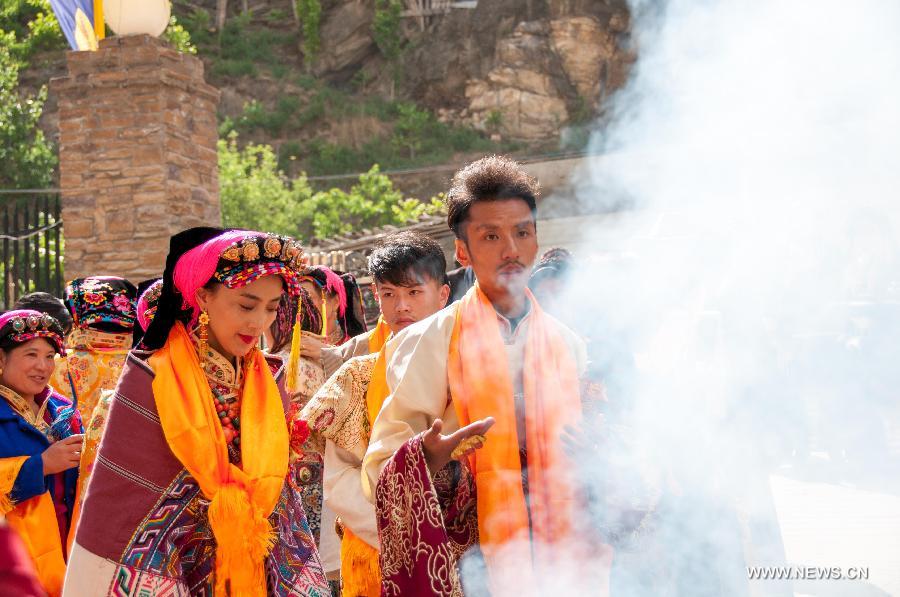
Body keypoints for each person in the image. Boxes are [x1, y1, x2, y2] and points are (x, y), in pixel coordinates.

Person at [362, 156, 610, 595]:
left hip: (558, 560)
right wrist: (430, 460)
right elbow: (381, 467)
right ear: (462, 251)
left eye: (522, 232)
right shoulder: (427, 341)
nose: (511, 249)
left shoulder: (568, 344)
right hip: (469, 566)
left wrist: (596, 456)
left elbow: (601, 457)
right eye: (490, 236)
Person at [64, 228, 329, 596]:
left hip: (261, 570)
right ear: (203, 297)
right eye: (247, 305)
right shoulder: (150, 382)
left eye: (271, 308)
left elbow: (283, 505)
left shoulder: (269, 380)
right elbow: (125, 511)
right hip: (175, 573)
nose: (260, 323)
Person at [301, 231, 451, 596]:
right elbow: (339, 479)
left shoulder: (467, 366)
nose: (401, 306)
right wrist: (408, 534)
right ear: (376, 297)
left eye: (414, 293)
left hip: (461, 545)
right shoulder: (357, 375)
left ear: (443, 295)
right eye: (389, 294)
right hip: (377, 552)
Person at [0, 310, 83, 597]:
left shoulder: (62, 409)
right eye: (31, 354)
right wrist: (41, 466)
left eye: (50, 356)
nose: (43, 366)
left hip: (68, 549)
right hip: (15, 559)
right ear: (1, 359)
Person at [299, 267, 370, 377]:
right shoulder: (294, 347)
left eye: (308, 297)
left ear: (335, 302)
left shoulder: (358, 346)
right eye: (296, 299)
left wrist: (329, 354)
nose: (301, 305)